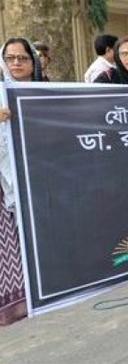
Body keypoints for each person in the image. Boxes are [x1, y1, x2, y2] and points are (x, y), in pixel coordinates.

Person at [0, 37, 45, 326]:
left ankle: (45, 291)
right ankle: (15, 303)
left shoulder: (44, 91)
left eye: (23, 58)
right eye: (10, 58)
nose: (16, 63)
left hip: (40, 177)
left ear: (33, 62)